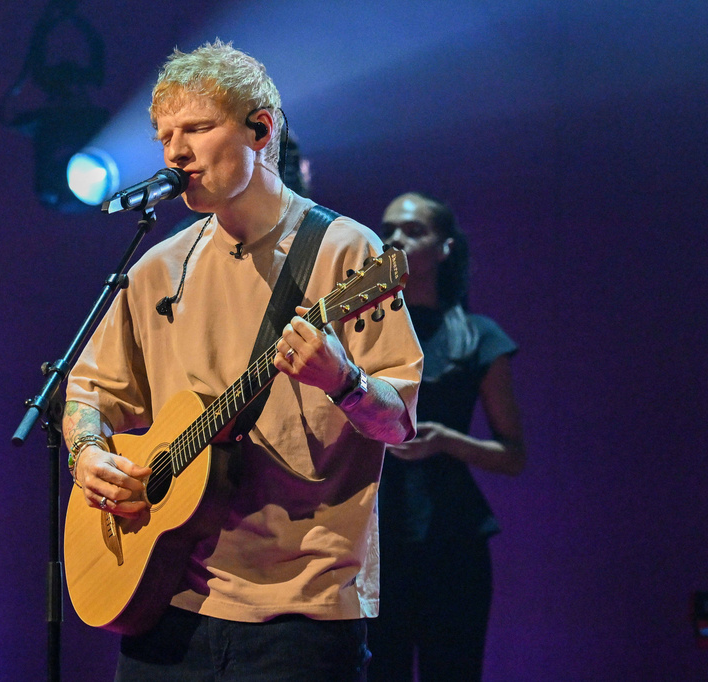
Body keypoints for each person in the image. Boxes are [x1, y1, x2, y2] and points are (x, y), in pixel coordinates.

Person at [62, 41, 423, 681]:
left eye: (197, 128)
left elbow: (398, 425)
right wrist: (89, 453)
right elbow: (88, 391)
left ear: (261, 128)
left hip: (301, 614)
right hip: (164, 599)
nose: (175, 152)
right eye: (164, 135)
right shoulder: (156, 267)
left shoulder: (347, 252)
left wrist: (344, 381)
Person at [366, 193, 526, 682]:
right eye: (389, 229)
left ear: (445, 249)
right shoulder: (364, 331)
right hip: (375, 538)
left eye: (414, 231)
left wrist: (445, 440)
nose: (395, 239)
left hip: (452, 542)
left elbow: (512, 454)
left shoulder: (477, 336)